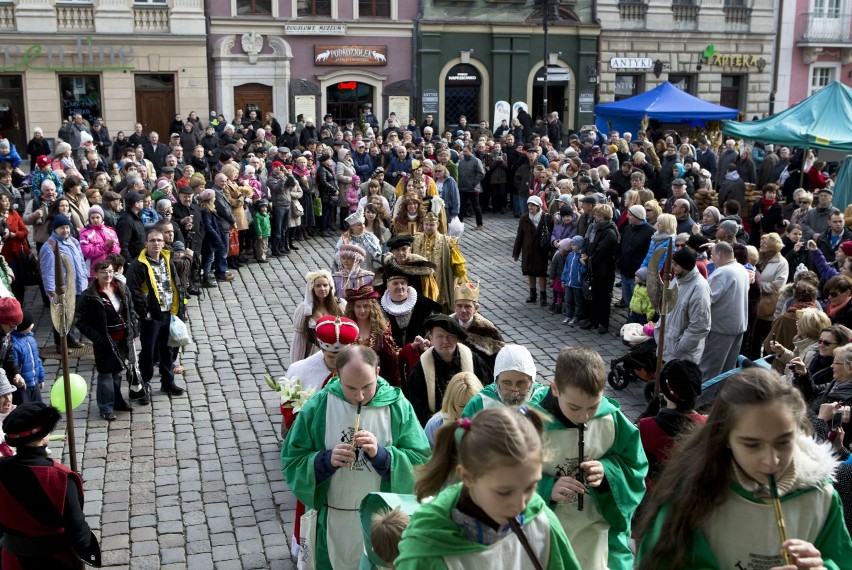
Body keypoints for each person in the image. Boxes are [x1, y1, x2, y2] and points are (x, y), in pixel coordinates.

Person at [637, 368, 852, 569]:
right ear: (726, 438)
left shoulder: (821, 497)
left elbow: (842, 561)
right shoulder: (691, 494)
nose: (771, 461)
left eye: (784, 441)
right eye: (752, 444)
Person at [281, 345, 430, 569]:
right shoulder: (320, 406)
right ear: (337, 376)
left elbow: (421, 460)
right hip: (333, 517)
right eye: (350, 388)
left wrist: (383, 457)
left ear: (378, 373)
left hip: (382, 523)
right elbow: (293, 459)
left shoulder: (398, 406)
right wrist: (325, 461)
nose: (359, 396)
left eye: (367, 387)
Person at [396, 406, 581, 570]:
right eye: (504, 492)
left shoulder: (541, 521)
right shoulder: (427, 550)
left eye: (530, 487)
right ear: (467, 477)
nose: (520, 506)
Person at [532, 346, 647, 570]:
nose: (583, 417)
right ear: (555, 389)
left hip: (598, 534)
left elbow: (636, 467)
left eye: (593, 407)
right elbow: (504, 477)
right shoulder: (529, 424)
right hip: (545, 534)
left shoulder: (611, 420)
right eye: (574, 407)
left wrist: (607, 473)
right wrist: (546, 488)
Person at [0, 402, 103, 568]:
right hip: (55, 561)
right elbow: (78, 532)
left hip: (12, 560)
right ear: (43, 435)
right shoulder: (61, 478)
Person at [127, 227, 186, 397]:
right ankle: (142, 385)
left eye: (159, 240)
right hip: (151, 317)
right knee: (148, 352)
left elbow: (176, 284)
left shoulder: (167, 259)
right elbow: (133, 291)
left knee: (168, 349)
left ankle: (168, 382)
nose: (156, 243)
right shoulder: (138, 264)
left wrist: (179, 308)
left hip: (169, 312)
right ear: (146, 243)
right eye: (152, 240)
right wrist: (145, 312)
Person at [76, 259, 139, 418]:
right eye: (104, 272)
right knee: (105, 374)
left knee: (117, 371)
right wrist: (98, 338)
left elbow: (130, 310)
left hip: (123, 338)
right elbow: (80, 321)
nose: (108, 275)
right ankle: (106, 408)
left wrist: (134, 331)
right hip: (105, 341)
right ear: (96, 274)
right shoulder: (89, 295)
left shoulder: (121, 288)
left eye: (110, 271)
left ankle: (117, 401)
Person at [406, 314, 492, 426]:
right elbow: (418, 408)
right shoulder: (420, 369)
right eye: (440, 336)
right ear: (431, 338)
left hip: (475, 424)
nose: (445, 341)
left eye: (450, 336)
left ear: (456, 337)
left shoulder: (474, 360)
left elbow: (488, 393)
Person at [638, 359, 705, 492]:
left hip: (652, 495)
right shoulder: (706, 425)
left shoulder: (647, 427)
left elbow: (631, 448)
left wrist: (645, 415)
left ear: (667, 389)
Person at [700, 242, 750, 379]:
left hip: (721, 329)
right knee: (727, 371)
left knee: (710, 370)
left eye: (712, 256)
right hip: (737, 327)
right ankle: (720, 398)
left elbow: (706, 298)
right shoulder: (741, 268)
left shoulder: (723, 272)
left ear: (719, 255)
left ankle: (704, 400)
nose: (711, 260)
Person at [39, 214, 88, 349]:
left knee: (72, 314)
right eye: (62, 228)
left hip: (77, 285)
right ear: (55, 229)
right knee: (62, 316)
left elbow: (81, 263)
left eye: (67, 227)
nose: (65, 230)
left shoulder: (73, 241)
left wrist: (84, 278)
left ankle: (70, 339)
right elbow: (48, 271)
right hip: (62, 288)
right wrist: (51, 291)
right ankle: (61, 344)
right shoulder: (50, 246)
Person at [657, 247, 711, 364]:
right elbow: (668, 308)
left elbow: (700, 325)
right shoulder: (678, 279)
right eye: (672, 263)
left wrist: (680, 347)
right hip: (668, 346)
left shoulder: (699, 288)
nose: (672, 267)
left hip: (682, 354)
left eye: (676, 264)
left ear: (685, 266)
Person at [344, 285, 401, 387]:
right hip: (352, 378)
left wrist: (411, 348)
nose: (362, 310)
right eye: (358, 306)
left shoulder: (381, 330)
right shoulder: (346, 329)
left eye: (366, 306)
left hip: (376, 380)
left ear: (372, 307)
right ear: (352, 308)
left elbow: (393, 357)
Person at [411, 212, 467, 311]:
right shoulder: (415, 240)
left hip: (440, 283)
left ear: (438, 224)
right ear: (423, 224)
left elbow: (458, 265)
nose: (428, 227)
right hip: (419, 282)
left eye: (432, 225)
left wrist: (461, 282)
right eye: (426, 224)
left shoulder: (447, 241)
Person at [579, 204, 620, 334]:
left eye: (596, 214)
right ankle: (593, 319)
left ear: (602, 216)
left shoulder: (610, 231)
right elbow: (588, 242)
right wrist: (584, 254)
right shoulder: (594, 227)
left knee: (604, 297)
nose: (594, 216)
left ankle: (603, 323)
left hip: (604, 270)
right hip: (594, 268)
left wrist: (588, 260)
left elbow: (601, 251)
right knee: (594, 295)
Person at [290, 269, 344, 365]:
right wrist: (296, 364)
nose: (322, 288)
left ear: (330, 287)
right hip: (314, 355)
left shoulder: (340, 305)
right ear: (312, 288)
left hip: (337, 356)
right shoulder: (305, 310)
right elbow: (299, 339)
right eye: (318, 286)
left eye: (325, 285)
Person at [424, 371, 483, 448]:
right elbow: (425, 457)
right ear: (452, 404)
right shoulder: (435, 425)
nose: (469, 411)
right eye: (462, 406)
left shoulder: (492, 422)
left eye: (473, 405)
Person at [513, 196, 553, 306]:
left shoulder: (547, 218)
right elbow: (519, 236)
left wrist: (550, 250)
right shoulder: (524, 218)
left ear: (539, 206)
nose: (530, 207)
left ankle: (543, 296)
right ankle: (532, 294)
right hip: (528, 250)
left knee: (541, 273)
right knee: (530, 272)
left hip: (541, 250)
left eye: (533, 205)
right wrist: (516, 253)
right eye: (529, 205)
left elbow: (551, 235)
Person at [9, 311, 44, 405]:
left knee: (38, 408)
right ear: (23, 326)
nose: (33, 324)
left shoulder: (31, 339)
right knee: (24, 408)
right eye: (30, 323)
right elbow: (14, 365)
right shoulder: (14, 344)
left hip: (34, 382)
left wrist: (41, 377)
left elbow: (37, 360)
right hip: (22, 386)